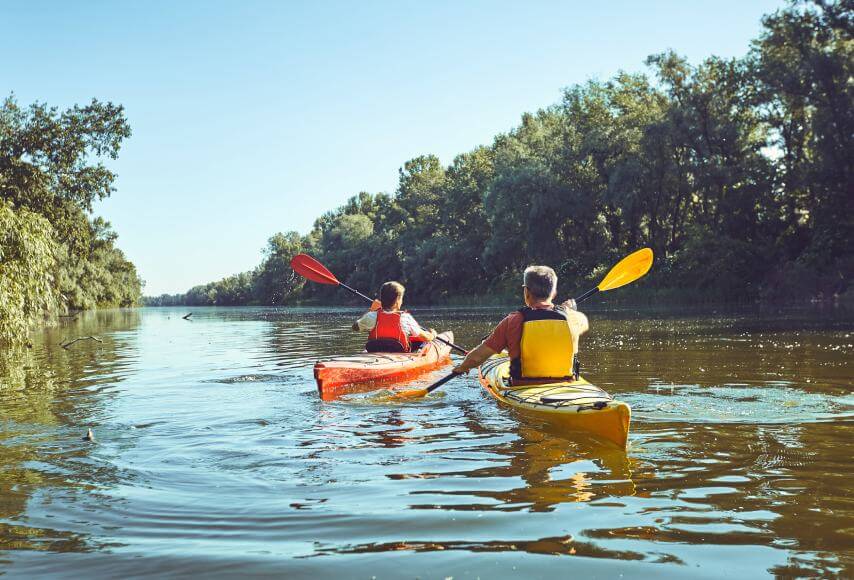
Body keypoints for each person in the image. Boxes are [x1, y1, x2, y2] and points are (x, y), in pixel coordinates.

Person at [452, 265, 588, 382]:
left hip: (524, 387)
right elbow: (583, 323)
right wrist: (568, 309)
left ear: (526, 292)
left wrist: (462, 367)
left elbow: (478, 357)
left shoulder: (513, 321)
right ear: (553, 293)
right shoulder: (574, 318)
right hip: (565, 384)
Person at [353, 281, 437, 353]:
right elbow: (425, 337)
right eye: (401, 299)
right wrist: (433, 335)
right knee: (424, 342)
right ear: (397, 301)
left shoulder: (371, 315)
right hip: (400, 354)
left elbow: (355, 327)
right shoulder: (405, 318)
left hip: (375, 351)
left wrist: (371, 310)